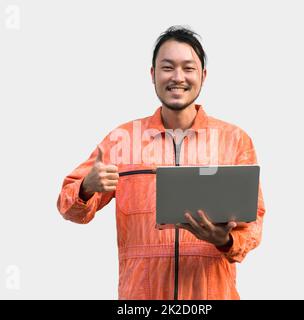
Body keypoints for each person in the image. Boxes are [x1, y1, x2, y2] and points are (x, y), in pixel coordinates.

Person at [57, 25, 266, 300]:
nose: (178, 77)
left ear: (203, 76)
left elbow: (252, 228)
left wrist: (224, 240)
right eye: (167, 67)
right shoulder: (122, 139)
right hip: (142, 299)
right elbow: (69, 209)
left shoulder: (235, 140)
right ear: (153, 74)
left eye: (188, 68)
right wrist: (86, 187)